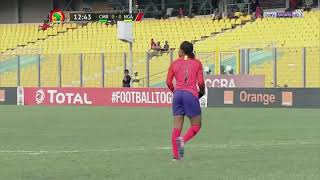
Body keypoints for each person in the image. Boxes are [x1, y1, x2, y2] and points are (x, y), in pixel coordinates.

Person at [166, 41, 205, 161]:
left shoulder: (174, 63)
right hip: (190, 94)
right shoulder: (197, 63)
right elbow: (201, 83)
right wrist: (201, 92)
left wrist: (175, 91)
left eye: (179, 49)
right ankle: (183, 140)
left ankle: (175, 156)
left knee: (176, 127)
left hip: (177, 95)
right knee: (196, 125)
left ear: (182, 51)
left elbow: (168, 82)